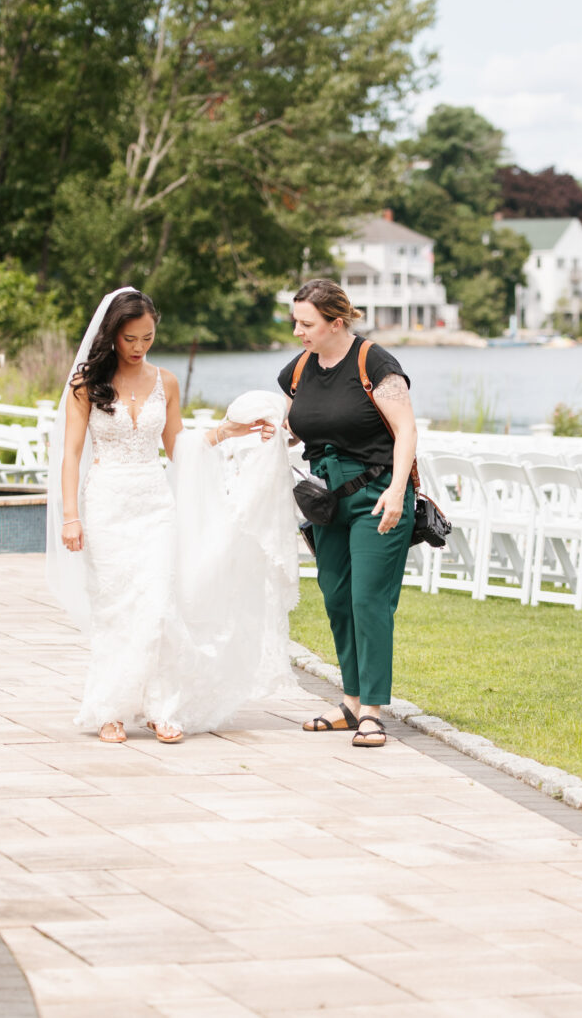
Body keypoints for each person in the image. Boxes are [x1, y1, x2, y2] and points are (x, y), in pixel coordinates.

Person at [46, 288, 294, 744]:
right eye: (130, 339)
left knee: (159, 604)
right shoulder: (84, 386)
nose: (139, 348)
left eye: (148, 337)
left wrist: (228, 431)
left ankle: (162, 707)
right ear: (112, 335)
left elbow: (178, 447)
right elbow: (71, 455)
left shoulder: (167, 382)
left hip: (155, 506)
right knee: (117, 608)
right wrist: (70, 516)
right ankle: (110, 709)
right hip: (106, 503)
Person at [277, 279, 417, 749]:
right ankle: (351, 703)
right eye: (296, 321)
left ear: (336, 322)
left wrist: (398, 490)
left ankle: (374, 711)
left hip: (377, 494)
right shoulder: (298, 370)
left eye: (307, 323)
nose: (298, 331)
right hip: (325, 500)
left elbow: (406, 430)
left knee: (368, 601)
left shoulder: (373, 362)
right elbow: (299, 424)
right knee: (336, 598)